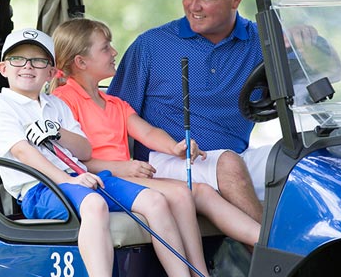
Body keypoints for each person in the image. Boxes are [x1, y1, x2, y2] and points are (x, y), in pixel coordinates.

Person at [0, 28, 215, 277]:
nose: (27, 66)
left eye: (39, 61)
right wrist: (68, 180)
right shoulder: (0, 106)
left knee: (155, 200)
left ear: (51, 72)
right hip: (41, 190)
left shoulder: (55, 106)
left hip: (82, 179)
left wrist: (57, 131)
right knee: (93, 203)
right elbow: (24, 152)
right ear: (3, 68)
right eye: (18, 60)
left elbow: (83, 150)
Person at [51, 18, 260, 248]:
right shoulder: (62, 103)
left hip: (125, 176)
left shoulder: (114, 103)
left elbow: (148, 132)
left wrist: (175, 147)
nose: (114, 51)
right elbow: (67, 161)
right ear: (81, 62)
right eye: (105, 48)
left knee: (203, 193)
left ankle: (269, 245)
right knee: (181, 194)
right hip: (104, 182)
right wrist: (122, 168)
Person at [108, 0, 271, 223]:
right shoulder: (151, 46)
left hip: (235, 158)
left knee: (304, 160)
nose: (193, 5)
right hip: (164, 163)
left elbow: (327, 71)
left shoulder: (262, 42)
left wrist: (306, 41)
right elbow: (112, 116)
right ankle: (275, 262)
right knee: (229, 166)